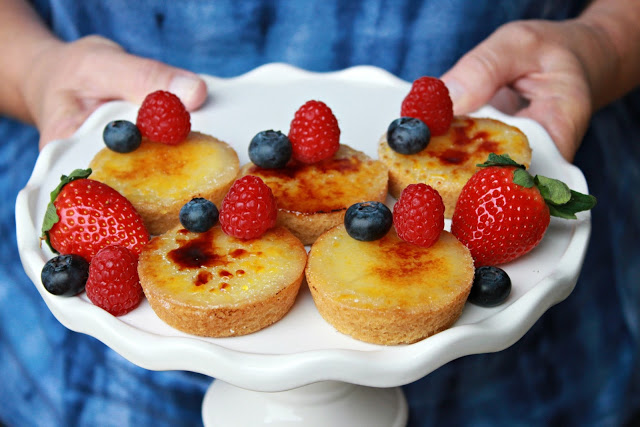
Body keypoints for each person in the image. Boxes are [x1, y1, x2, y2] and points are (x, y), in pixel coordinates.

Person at [1, 0, 638, 425]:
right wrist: (33, 64)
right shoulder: (206, 196)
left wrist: (604, 40)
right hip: (95, 387)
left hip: (539, 370)